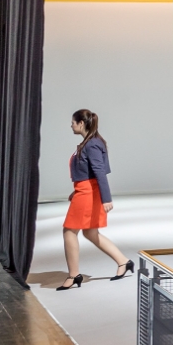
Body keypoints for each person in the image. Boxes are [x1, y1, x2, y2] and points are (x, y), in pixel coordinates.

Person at [59, 109, 131, 289]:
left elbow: (99, 172)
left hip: (88, 193)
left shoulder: (92, 144)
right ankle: (123, 261)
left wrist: (107, 199)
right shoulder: (91, 142)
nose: (71, 125)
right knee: (90, 233)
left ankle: (74, 275)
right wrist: (76, 191)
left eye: (73, 122)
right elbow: (89, 172)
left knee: (69, 231)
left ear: (81, 123)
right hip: (84, 191)